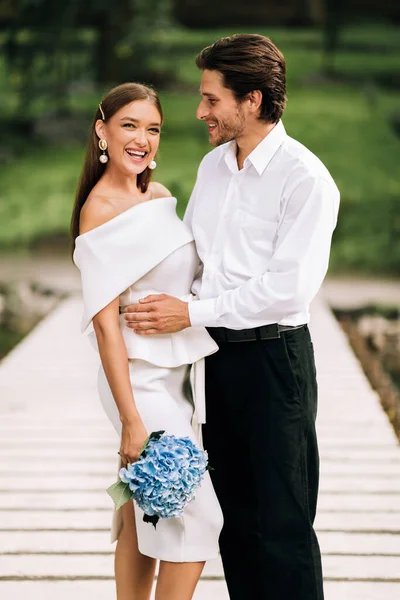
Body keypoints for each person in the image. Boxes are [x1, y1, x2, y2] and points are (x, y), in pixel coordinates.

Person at [122, 35, 340, 600]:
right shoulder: (214, 166)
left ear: (254, 99)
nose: (200, 112)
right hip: (216, 363)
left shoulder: (306, 179)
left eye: (211, 99)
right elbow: (193, 255)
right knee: (236, 525)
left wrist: (191, 312)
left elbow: (288, 287)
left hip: (275, 360)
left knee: (282, 526)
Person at [71, 82, 223, 600]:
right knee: (199, 516)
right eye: (129, 125)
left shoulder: (157, 198)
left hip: (177, 382)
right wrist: (131, 420)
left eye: (153, 129)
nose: (142, 139)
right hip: (139, 384)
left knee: (141, 515)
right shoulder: (99, 210)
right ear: (102, 131)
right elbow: (105, 325)